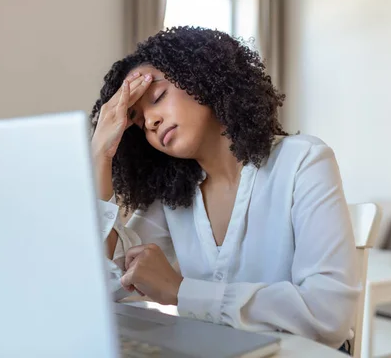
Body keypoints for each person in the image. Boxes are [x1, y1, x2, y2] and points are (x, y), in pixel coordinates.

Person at [90, 26, 359, 351]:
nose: (151, 121)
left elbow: (329, 315)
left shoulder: (303, 161)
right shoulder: (174, 197)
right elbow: (107, 279)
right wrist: (100, 155)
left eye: (158, 97)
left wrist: (181, 291)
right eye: (138, 120)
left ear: (202, 76)